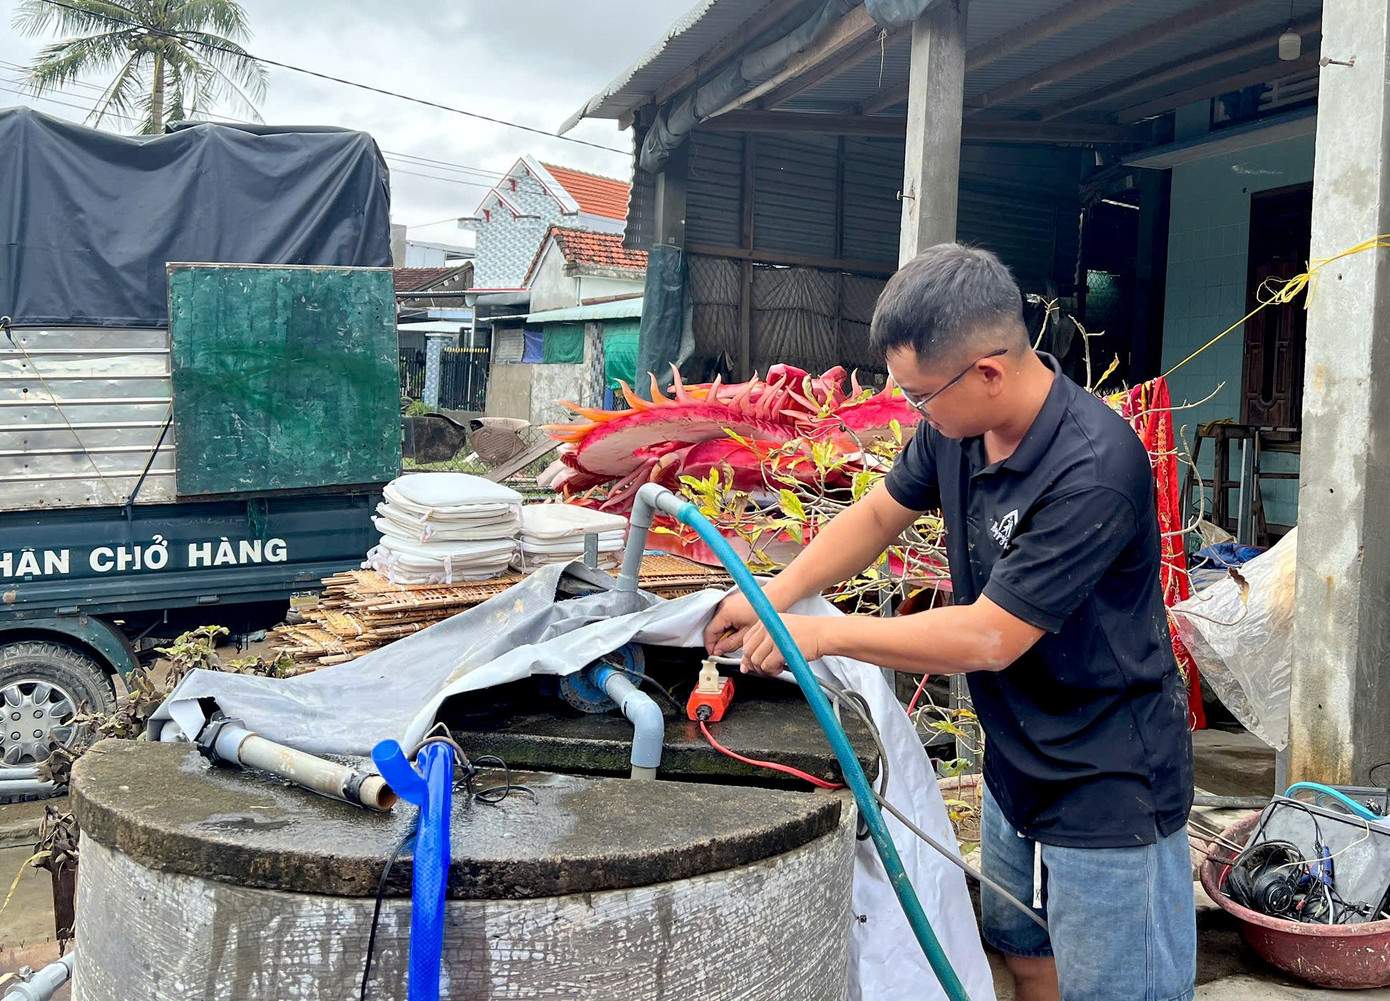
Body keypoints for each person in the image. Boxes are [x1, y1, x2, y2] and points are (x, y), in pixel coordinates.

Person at [703, 244, 1195, 1001]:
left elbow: (989, 637)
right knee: (1023, 951)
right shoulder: (957, 428)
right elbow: (875, 514)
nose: (915, 412)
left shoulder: (1093, 467)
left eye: (920, 396)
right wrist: (775, 592)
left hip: (1109, 785)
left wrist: (821, 632)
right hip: (1016, 762)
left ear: (988, 371)